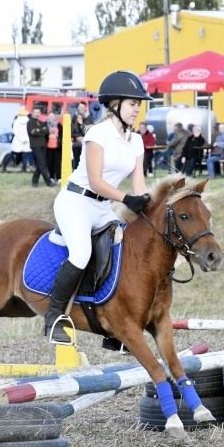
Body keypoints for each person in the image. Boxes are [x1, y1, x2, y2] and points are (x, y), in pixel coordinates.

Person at [46, 70, 153, 344]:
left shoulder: (136, 140)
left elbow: (139, 185)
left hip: (104, 208)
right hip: (76, 202)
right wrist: (126, 199)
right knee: (82, 253)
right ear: (115, 105)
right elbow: (95, 181)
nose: (137, 109)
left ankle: (113, 322)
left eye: (139, 105)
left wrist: (148, 204)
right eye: (132, 104)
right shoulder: (98, 133)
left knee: (126, 250)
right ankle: (54, 316)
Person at [27, 108, 54, 187]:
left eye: (38, 112)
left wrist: (39, 130)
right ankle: (48, 182)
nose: (36, 114)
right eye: (35, 112)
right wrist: (42, 131)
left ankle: (35, 181)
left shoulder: (41, 122)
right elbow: (33, 132)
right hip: (35, 145)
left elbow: (47, 131)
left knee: (41, 163)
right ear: (32, 113)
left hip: (43, 145)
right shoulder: (30, 122)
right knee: (42, 163)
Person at [2, 106, 31, 172]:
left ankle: (4, 166)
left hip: (18, 140)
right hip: (26, 140)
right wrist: (26, 139)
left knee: (13, 153)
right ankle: (24, 168)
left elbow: (15, 131)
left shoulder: (16, 121)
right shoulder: (28, 121)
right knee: (25, 154)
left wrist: (21, 139)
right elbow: (29, 131)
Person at [45, 112, 62, 182]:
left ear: (55, 117)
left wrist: (57, 136)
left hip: (57, 147)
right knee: (50, 163)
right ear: (47, 117)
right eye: (50, 116)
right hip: (48, 147)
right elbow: (43, 134)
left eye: (53, 116)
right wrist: (48, 135)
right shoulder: (44, 124)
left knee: (57, 162)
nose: (51, 117)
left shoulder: (59, 125)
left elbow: (62, 134)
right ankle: (51, 177)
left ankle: (58, 177)